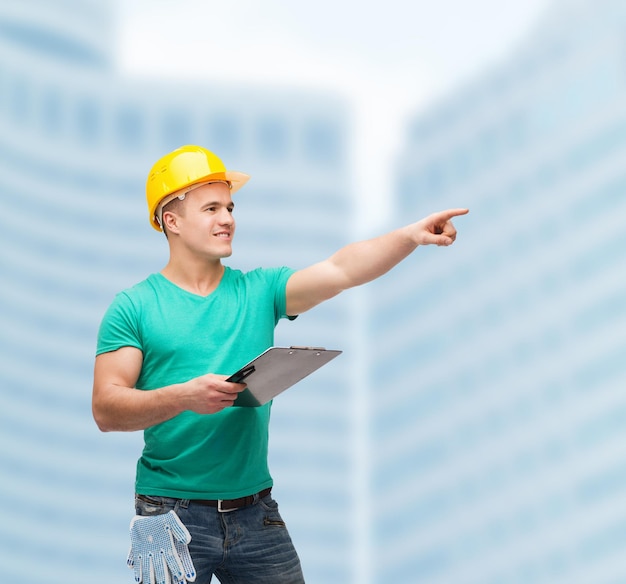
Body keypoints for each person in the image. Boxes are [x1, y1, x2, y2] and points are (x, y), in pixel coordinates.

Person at [92, 145, 468, 584]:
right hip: (169, 516)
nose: (228, 218)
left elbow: (342, 270)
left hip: (256, 514)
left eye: (230, 207)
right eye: (211, 207)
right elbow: (107, 408)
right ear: (171, 221)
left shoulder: (260, 291)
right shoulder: (134, 307)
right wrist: (185, 396)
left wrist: (409, 236)